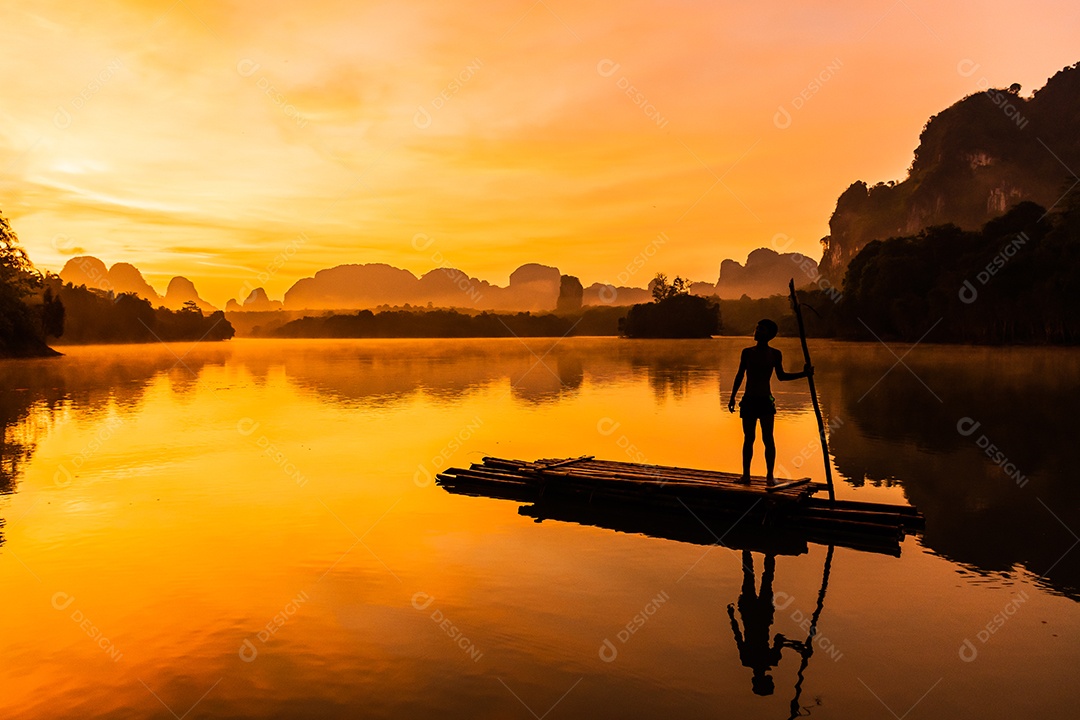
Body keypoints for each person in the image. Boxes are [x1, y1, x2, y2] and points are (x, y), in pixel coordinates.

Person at [728, 319, 812, 486]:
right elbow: (740, 375)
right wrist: (732, 397)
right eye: (757, 328)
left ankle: (769, 476)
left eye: (761, 330)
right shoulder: (747, 352)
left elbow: (781, 376)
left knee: (768, 439)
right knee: (749, 438)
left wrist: (804, 374)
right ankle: (746, 476)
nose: (757, 331)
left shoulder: (775, 354)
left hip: (766, 401)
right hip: (749, 401)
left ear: (769, 335)